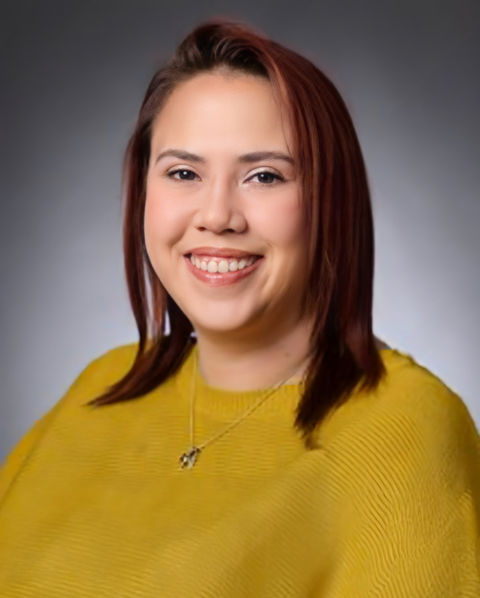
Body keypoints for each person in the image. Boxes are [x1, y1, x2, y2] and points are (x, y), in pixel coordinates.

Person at [0, 18, 479, 598]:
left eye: (263, 175)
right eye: (183, 172)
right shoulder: (102, 385)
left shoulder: (404, 432)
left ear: (332, 198)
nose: (218, 214)